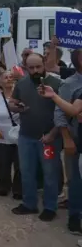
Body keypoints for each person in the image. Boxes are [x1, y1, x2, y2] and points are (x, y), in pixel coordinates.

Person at [9, 53, 62, 222]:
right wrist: (17, 108)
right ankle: (29, 204)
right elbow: (12, 102)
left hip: (50, 139)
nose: (35, 70)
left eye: (38, 66)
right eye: (31, 68)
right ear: (25, 67)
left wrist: (53, 134)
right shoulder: (22, 83)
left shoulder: (57, 83)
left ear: (44, 64)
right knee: (27, 172)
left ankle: (49, 207)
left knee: (50, 174)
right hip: (26, 137)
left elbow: (64, 113)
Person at [42, 47, 82, 235]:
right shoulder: (70, 84)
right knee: (75, 180)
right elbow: (62, 113)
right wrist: (67, 139)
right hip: (76, 139)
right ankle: (75, 216)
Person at [0, 70, 22, 199]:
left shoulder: (21, 96)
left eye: (11, 77)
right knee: (3, 163)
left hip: (19, 136)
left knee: (19, 164)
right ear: (0, 81)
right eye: (5, 77)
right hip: (0, 136)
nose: (8, 79)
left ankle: (19, 188)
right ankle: (4, 186)